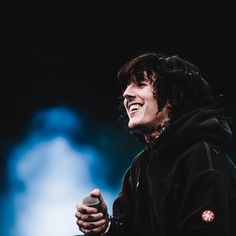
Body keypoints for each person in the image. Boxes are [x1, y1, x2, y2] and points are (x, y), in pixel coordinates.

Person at [75, 52, 236, 236]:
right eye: (127, 87)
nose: (126, 94)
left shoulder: (201, 158)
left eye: (141, 84)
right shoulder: (140, 165)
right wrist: (105, 228)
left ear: (173, 98)